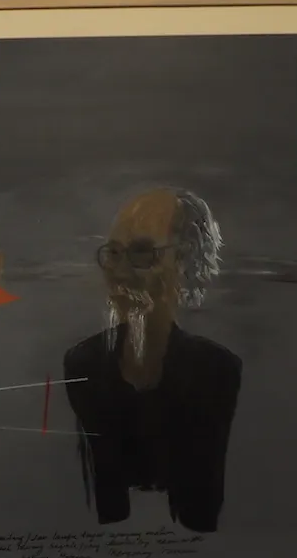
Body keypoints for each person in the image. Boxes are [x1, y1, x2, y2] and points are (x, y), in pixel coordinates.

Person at [61, 187, 243, 533]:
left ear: (185, 261)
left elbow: (203, 512)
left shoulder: (218, 372)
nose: (118, 272)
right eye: (113, 253)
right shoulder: (82, 365)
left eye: (142, 253)